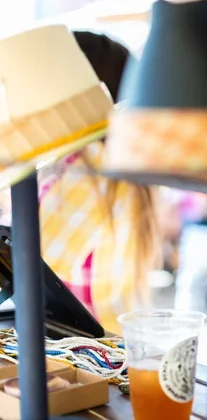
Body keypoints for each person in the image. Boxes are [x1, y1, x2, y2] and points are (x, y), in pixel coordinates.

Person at [36, 31, 160, 333]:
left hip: (80, 344)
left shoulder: (85, 167)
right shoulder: (122, 158)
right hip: (113, 340)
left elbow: (36, 267)